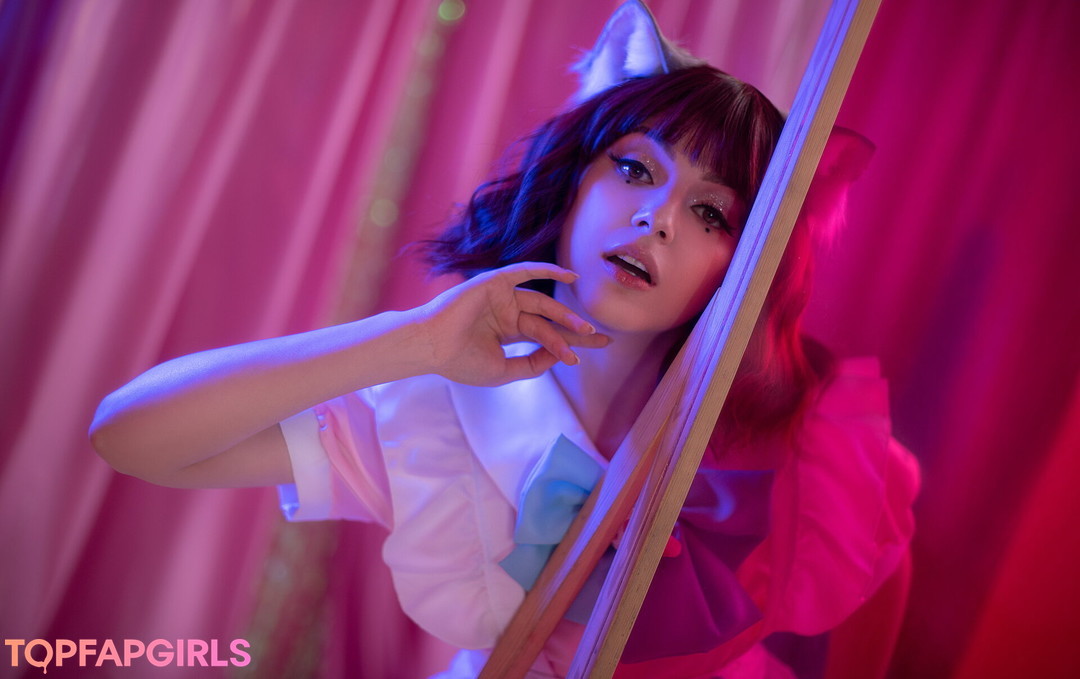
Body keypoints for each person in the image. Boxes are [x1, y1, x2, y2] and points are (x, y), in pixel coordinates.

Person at [91, 2, 918, 677]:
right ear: (573, 181)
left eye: (710, 212)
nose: (657, 219)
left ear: (749, 263)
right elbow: (129, 435)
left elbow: (876, 606)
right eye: (635, 168)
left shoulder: (793, 446)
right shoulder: (436, 417)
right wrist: (411, 340)